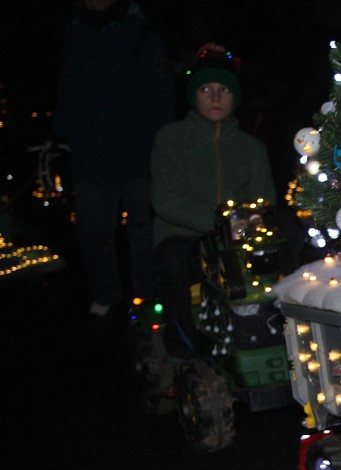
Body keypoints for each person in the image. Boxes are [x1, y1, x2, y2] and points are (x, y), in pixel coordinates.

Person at [151, 44, 275, 360]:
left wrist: (242, 229)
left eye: (224, 90)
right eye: (206, 89)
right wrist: (222, 222)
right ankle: (183, 352)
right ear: (194, 95)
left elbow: (264, 203)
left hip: (237, 241)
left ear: (235, 97)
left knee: (273, 264)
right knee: (174, 265)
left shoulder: (252, 149)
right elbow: (166, 198)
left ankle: (268, 339)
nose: (216, 97)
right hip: (185, 237)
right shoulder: (172, 138)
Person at [54, 0, 174, 319]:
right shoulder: (74, 32)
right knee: (94, 228)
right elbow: (66, 87)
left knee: (142, 229)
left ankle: (146, 295)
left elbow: (161, 93)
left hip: (138, 151)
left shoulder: (140, 32)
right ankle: (106, 291)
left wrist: (162, 146)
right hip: (91, 155)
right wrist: (64, 133)